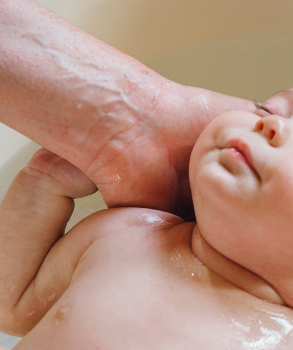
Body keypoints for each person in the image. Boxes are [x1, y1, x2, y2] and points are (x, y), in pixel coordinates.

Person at [0, 74, 293, 348]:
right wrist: (43, 182)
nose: (272, 124)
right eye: (268, 108)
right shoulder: (123, 233)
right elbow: (14, 307)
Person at [1, 0, 257, 220]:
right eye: (274, 109)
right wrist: (42, 184)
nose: (275, 125)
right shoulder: (131, 236)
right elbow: (17, 278)